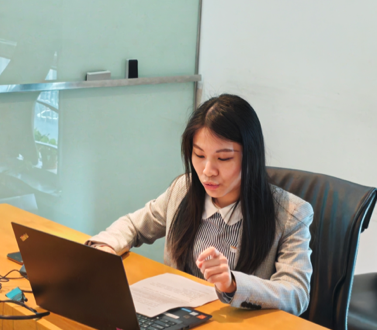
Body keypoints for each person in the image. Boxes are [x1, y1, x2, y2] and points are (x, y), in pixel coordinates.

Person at [87, 94, 314, 315]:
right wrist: (105, 247)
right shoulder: (183, 190)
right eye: (199, 155)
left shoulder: (291, 214)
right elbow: (134, 226)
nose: (207, 171)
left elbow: (296, 294)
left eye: (223, 158)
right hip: (180, 320)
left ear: (251, 157)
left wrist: (233, 283)